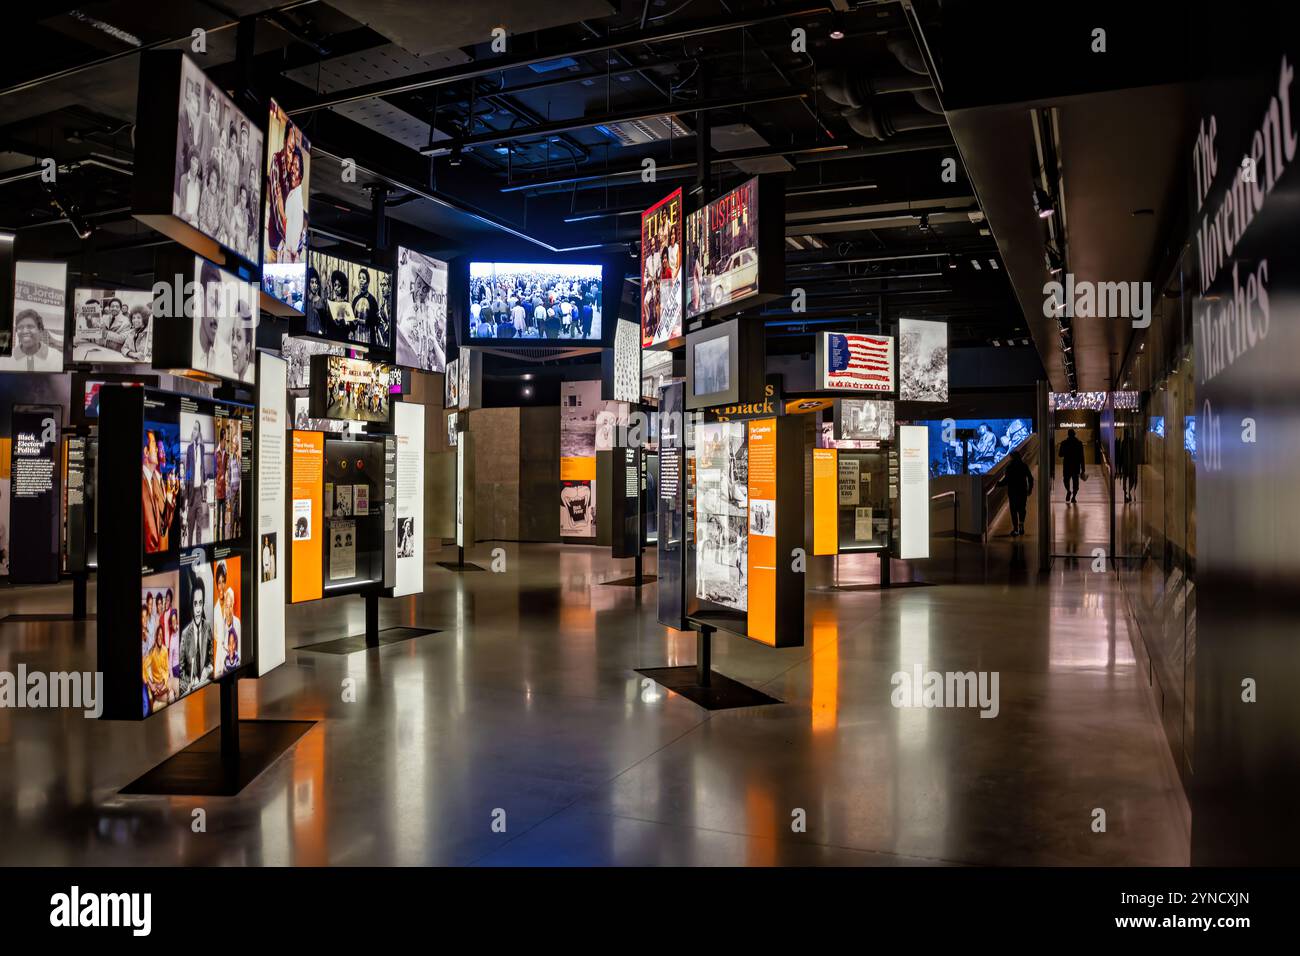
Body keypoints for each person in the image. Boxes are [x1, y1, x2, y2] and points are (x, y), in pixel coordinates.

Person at [142, 430, 176, 553]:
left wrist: (170, 497)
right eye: (155, 446)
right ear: (146, 451)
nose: (159, 451)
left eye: (161, 449)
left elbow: (163, 524)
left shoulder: (155, 479)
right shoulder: (149, 480)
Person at [997, 449, 1035, 536]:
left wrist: (998, 484)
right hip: (1022, 490)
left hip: (1012, 491)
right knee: (1022, 508)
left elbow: (1006, 480)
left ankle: (1015, 529)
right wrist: (1030, 489)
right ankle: (1021, 523)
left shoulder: (1009, 467)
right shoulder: (1024, 466)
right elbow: (1030, 478)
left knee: (1013, 510)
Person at [1058, 428, 1085, 503]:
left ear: (1068, 434)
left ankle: (1068, 491)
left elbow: (1060, 454)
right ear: (1074, 434)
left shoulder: (1064, 443)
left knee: (1066, 480)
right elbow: (1082, 457)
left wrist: (1066, 451)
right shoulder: (1079, 443)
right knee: (1075, 484)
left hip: (1067, 466)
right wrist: (1083, 469)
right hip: (1076, 466)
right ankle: (1073, 497)